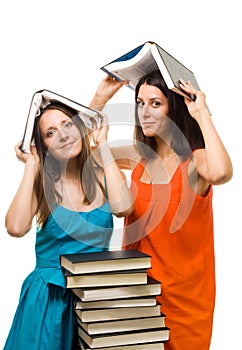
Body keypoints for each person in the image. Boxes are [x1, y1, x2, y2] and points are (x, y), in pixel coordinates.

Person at [89, 71, 233, 350]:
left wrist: (201, 113)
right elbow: (76, 149)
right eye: (140, 103)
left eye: (156, 103)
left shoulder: (195, 161)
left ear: (174, 108)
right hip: (137, 295)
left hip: (185, 304)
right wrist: (99, 99)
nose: (145, 112)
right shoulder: (138, 157)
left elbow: (222, 171)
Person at [4, 101, 134, 349]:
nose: (63, 134)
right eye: (50, 133)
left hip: (94, 296)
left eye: (67, 125)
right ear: (44, 146)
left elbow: (124, 207)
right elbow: (16, 228)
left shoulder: (101, 172)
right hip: (50, 299)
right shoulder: (43, 181)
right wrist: (31, 165)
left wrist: (103, 145)